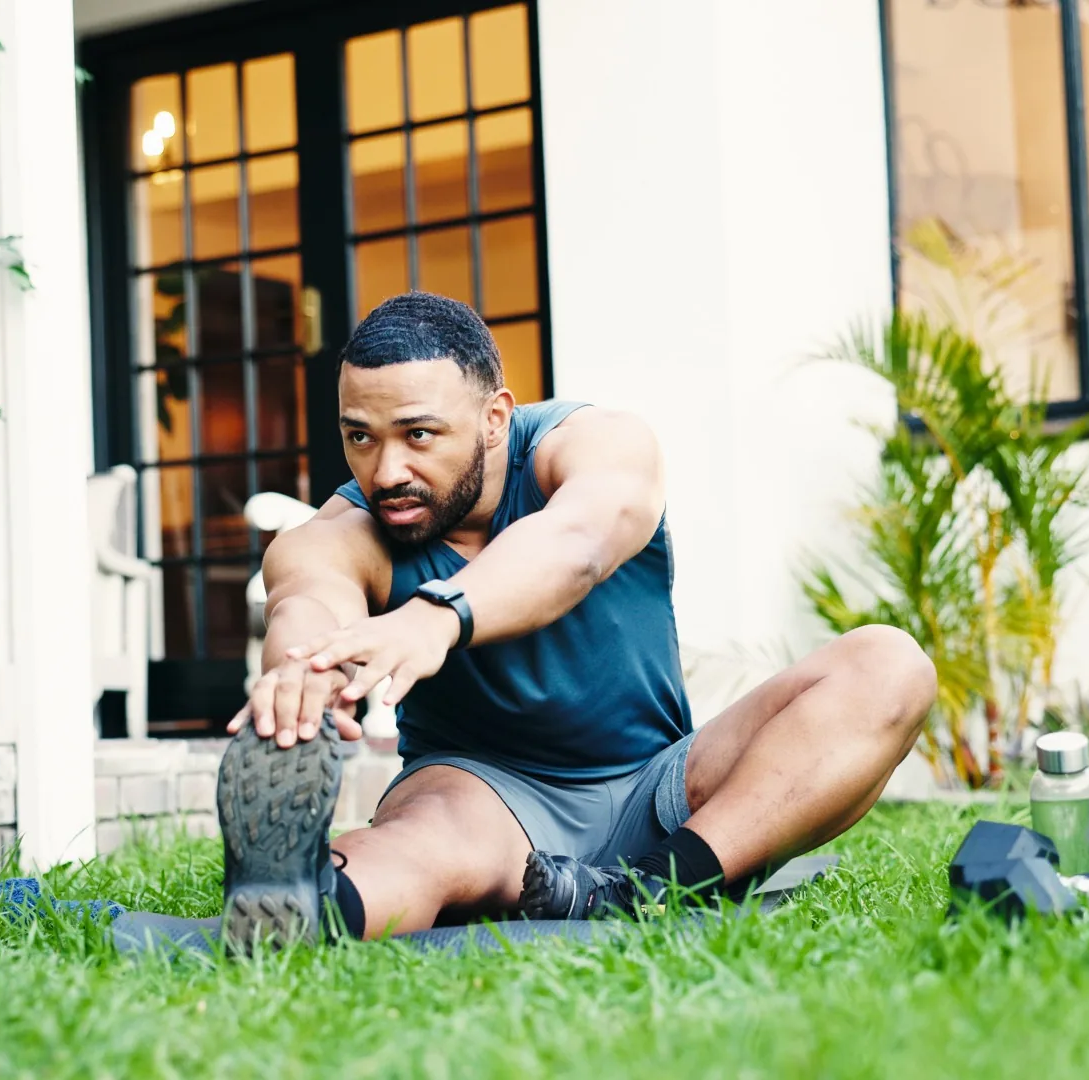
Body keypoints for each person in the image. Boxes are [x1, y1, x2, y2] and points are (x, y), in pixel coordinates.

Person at [216, 291, 936, 948]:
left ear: (494, 418)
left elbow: (576, 546)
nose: (386, 470)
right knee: (421, 843)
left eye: (419, 435)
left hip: (664, 785)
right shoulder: (349, 527)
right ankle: (307, 901)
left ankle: (652, 887)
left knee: (889, 665)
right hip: (485, 798)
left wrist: (437, 618)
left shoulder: (596, 445)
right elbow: (307, 595)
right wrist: (298, 673)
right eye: (361, 437)